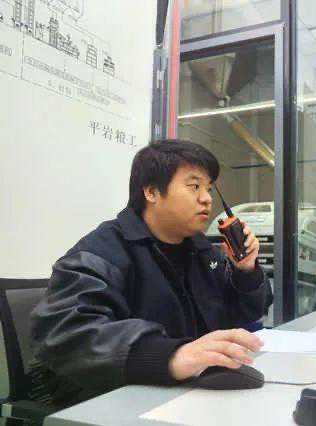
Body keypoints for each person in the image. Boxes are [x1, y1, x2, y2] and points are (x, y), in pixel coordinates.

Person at [29, 140, 273, 407]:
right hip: (115, 398)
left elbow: (246, 315)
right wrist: (170, 356)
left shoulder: (203, 252)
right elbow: (67, 333)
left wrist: (245, 271)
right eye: (194, 186)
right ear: (152, 192)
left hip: (188, 394)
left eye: (209, 188)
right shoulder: (102, 251)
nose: (206, 198)